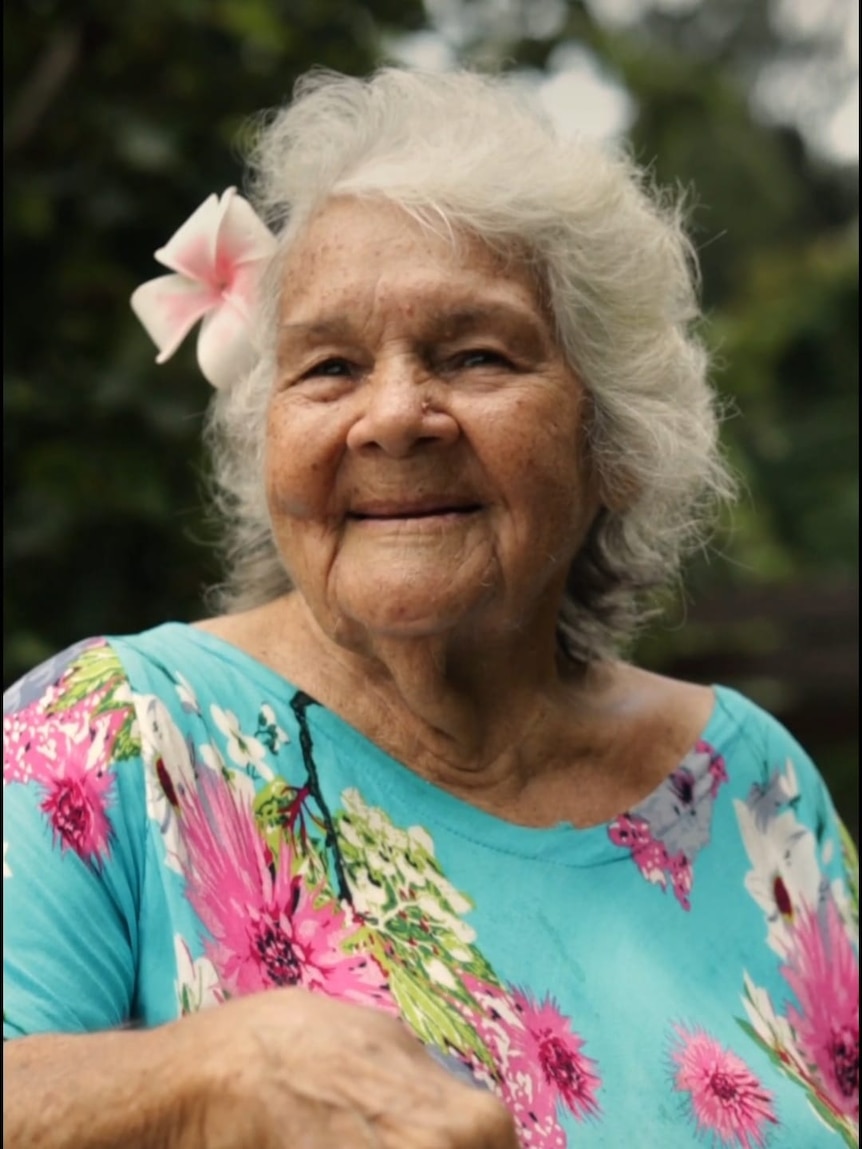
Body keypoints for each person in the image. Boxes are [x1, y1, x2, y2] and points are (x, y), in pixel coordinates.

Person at [3, 67, 858, 1149]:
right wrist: (194, 1074)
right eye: (330, 367)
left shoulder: (751, 786)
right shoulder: (109, 736)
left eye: (474, 355)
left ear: (611, 438)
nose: (394, 416)